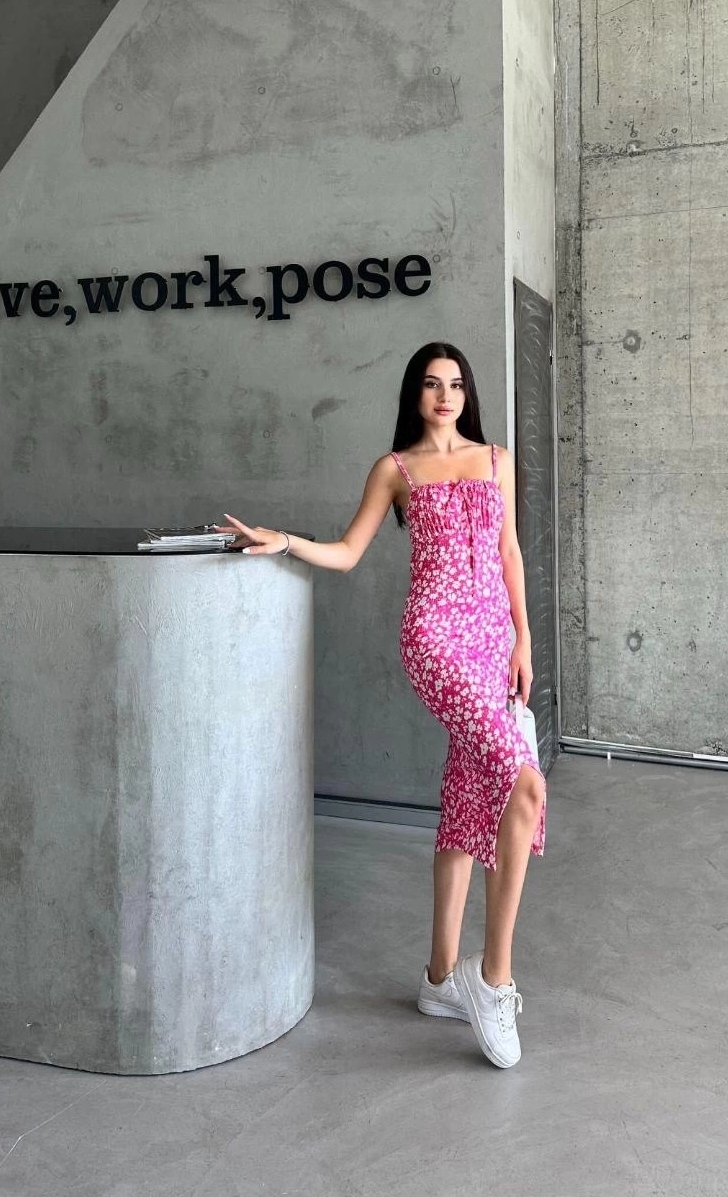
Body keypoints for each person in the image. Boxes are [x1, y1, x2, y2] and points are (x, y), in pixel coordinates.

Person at [219, 341, 546, 1069]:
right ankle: (494, 979)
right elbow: (347, 550)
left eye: (455, 384)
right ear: (414, 394)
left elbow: (510, 552)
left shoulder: (497, 460)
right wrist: (284, 540)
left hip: (494, 641)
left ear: (468, 394)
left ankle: (439, 979)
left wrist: (524, 639)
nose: (445, 395)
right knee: (523, 786)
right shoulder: (394, 470)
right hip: (435, 639)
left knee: (469, 789)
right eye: (431, 384)